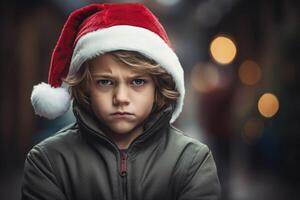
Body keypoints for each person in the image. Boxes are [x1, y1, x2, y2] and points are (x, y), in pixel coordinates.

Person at [22, 3, 221, 200]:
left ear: (158, 87)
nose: (121, 98)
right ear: (85, 87)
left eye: (137, 82)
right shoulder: (49, 161)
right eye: (105, 82)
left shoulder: (191, 161)